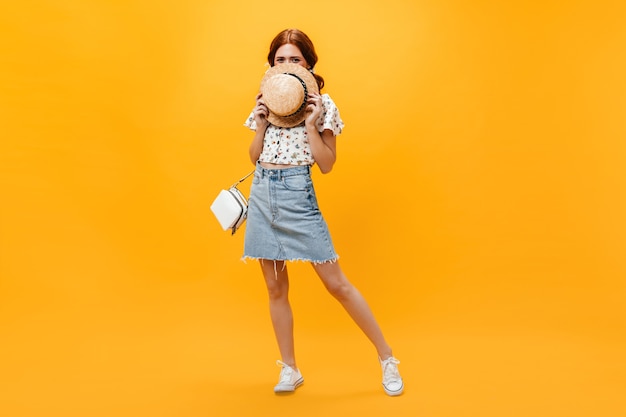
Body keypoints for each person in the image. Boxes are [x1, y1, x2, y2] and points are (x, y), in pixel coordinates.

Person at [242, 28, 404, 396]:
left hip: (298, 194)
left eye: (294, 59)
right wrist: (262, 122)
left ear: (309, 65)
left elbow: (327, 164)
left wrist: (313, 124)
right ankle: (289, 368)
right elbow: (253, 156)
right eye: (279, 59)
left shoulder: (324, 105)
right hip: (263, 192)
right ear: (272, 65)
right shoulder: (265, 101)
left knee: (337, 284)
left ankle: (387, 358)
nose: (286, 65)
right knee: (274, 286)